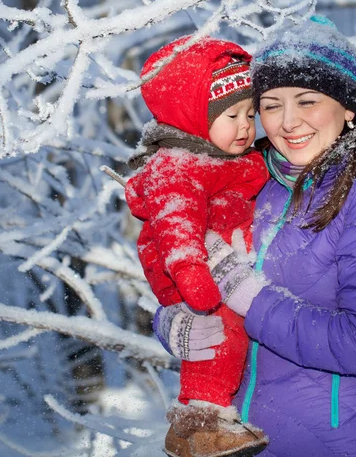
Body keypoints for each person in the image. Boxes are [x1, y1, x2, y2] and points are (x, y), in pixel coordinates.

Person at [155, 16, 356, 456]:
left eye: (307, 102)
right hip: (234, 442)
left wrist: (247, 294)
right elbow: (192, 268)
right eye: (270, 104)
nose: (287, 122)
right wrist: (172, 321)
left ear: (348, 107)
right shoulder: (248, 177)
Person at [125, 36, 270, 457]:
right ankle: (203, 421)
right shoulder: (180, 164)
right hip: (195, 275)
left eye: (250, 113)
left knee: (222, 337)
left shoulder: (223, 155)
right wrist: (191, 272)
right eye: (231, 115)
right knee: (220, 339)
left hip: (217, 267)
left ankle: (191, 428)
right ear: (192, 117)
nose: (246, 126)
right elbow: (175, 222)